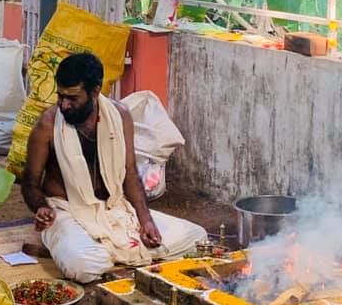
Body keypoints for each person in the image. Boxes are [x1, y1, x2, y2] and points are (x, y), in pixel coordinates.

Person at [22, 52, 207, 283]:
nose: (64, 105)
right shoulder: (47, 125)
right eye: (60, 96)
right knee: (83, 266)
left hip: (115, 210)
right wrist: (41, 208)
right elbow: (29, 184)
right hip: (66, 211)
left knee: (198, 238)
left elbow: (130, 174)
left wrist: (145, 219)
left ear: (95, 91)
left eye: (72, 98)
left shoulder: (121, 117)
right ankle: (99, 250)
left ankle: (104, 252)